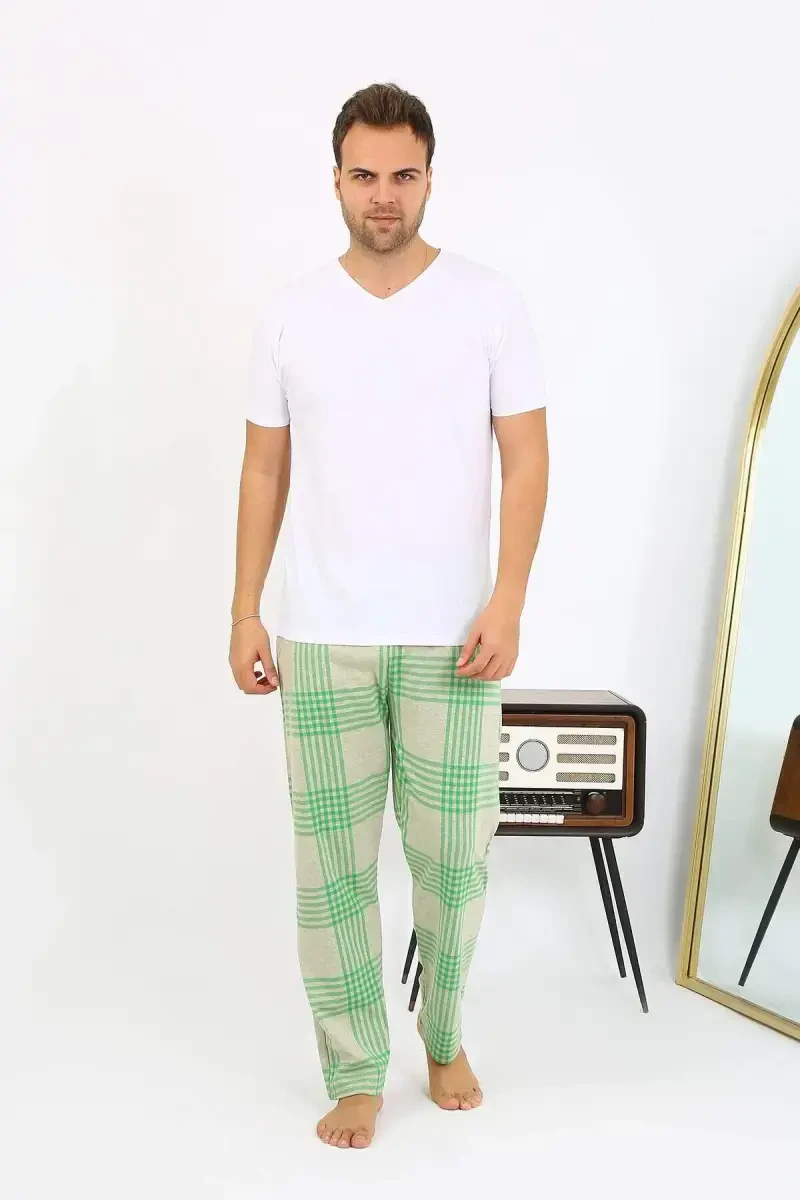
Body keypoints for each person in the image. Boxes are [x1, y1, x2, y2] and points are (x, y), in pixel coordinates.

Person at [229, 81, 550, 1149]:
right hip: (321, 633)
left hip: (453, 636)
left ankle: (443, 1032)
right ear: (334, 179)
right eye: (363, 175)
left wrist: (508, 598)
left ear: (428, 179)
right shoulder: (290, 313)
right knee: (332, 871)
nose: (382, 195)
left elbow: (526, 458)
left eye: (401, 175)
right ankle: (355, 1066)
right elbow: (264, 468)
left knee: (453, 861)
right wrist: (244, 611)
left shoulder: (487, 302)